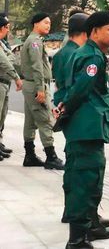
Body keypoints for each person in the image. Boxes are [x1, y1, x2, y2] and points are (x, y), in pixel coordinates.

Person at [53, 11, 109, 248]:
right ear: (95, 31)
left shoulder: (84, 53)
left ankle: (87, 228)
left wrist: (63, 106)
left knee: (83, 176)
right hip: (87, 127)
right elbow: (81, 88)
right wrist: (66, 107)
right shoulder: (93, 57)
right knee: (86, 179)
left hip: (84, 128)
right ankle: (77, 239)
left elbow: (68, 88)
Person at [52, 12, 90, 225]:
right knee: (82, 164)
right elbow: (77, 89)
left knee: (72, 160)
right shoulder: (80, 54)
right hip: (78, 113)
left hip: (65, 112)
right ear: (86, 32)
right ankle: (80, 213)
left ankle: (69, 209)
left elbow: (58, 85)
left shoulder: (60, 54)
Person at [21, 12, 64, 169]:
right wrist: (41, 89)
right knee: (45, 119)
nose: (48, 25)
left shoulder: (33, 40)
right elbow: (37, 66)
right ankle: (51, 156)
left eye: (50, 23)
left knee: (30, 121)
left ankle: (29, 155)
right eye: (45, 22)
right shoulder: (35, 42)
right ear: (36, 24)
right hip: (36, 86)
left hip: (30, 85)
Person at [0, 15, 22, 159]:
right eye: (7, 27)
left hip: (4, 82)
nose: (8, 31)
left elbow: (11, 59)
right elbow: (4, 62)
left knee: (2, 116)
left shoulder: (2, 44)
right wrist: (16, 77)